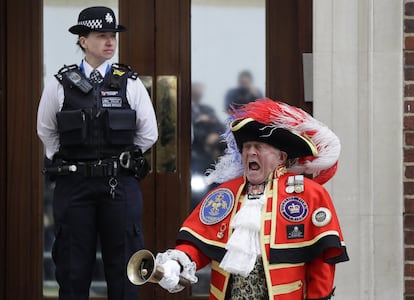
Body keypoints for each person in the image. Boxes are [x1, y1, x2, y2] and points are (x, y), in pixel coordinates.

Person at [153, 98, 349, 299]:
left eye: (258, 146)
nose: (250, 152)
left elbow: (322, 261)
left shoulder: (309, 194)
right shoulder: (225, 194)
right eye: (246, 147)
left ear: (281, 157)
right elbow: (199, 243)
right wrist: (175, 263)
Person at [37, 6, 158, 300]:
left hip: (120, 185)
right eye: (101, 35)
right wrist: (75, 163)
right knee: (73, 269)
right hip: (74, 185)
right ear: (82, 40)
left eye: (112, 36)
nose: (110, 42)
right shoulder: (59, 83)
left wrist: (119, 161)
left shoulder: (129, 83)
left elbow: (148, 133)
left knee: (126, 270)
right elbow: (46, 131)